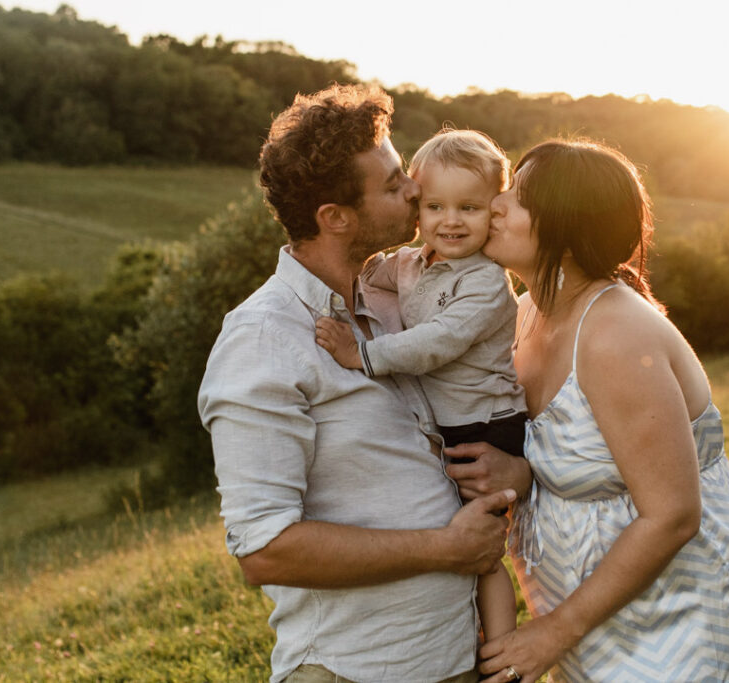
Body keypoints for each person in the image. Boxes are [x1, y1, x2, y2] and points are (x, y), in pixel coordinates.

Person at [197, 84, 516, 683]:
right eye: (395, 185)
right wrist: (445, 549)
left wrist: (512, 471)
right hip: (357, 669)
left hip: (453, 658)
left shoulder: (396, 299)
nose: (416, 190)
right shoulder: (263, 340)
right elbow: (265, 549)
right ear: (335, 218)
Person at [447, 139, 729, 683]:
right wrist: (521, 476)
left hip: (676, 613)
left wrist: (553, 632)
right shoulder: (526, 312)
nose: (497, 204)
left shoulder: (614, 334)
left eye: (520, 197)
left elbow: (672, 514)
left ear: (570, 232)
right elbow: (580, 454)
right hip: (592, 611)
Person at [314, 128, 526, 641]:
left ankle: (501, 656)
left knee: (482, 546)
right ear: (418, 209)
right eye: (435, 206)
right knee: (454, 537)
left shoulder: (485, 284)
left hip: (488, 425)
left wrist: (360, 355)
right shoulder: (411, 263)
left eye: (469, 208)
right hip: (449, 425)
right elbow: (364, 274)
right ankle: (466, 635)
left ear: (494, 210)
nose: (450, 221)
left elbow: (435, 342)